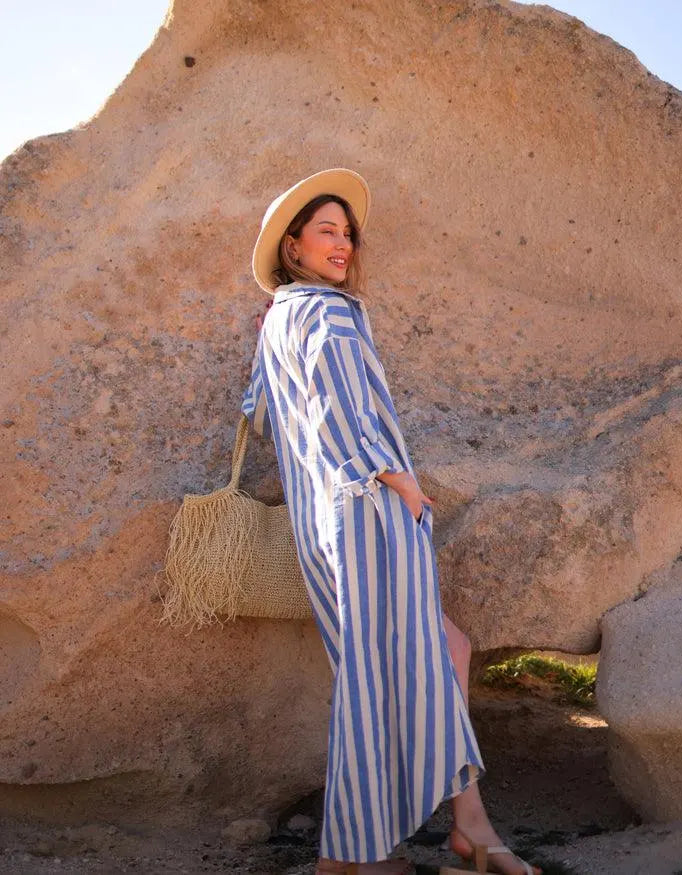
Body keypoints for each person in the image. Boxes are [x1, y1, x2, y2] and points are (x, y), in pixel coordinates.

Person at [241, 169, 540, 875]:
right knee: (377, 680)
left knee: (445, 650)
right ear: (292, 245)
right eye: (326, 230)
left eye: (347, 232)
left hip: (326, 524)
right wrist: (395, 474)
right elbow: (343, 405)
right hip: (370, 511)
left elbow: (260, 412)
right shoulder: (332, 313)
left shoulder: (279, 319)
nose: (343, 243)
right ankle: (353, 854)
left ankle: (466, 824)